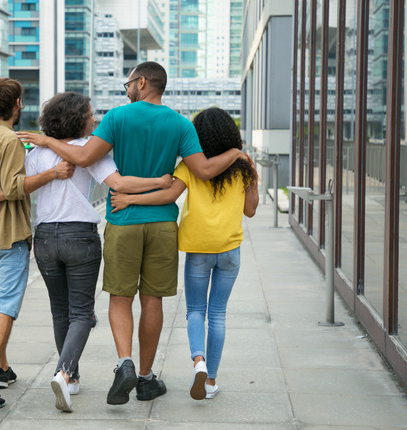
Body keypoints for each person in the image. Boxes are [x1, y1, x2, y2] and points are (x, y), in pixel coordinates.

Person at [17, 62, 246, 405]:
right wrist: (236, 151)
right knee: (152, 300)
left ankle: (124, 362)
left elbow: (82, 156)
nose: (126, 89)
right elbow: (204, 169)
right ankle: (145, 377)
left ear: (142, 82)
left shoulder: (117, 118)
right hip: (162, 224)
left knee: (120, 298)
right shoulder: (181, 124)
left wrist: (46, 139)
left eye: (128, 83)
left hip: (123, 220)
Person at [0, 92, 174, 412]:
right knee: (82, 313)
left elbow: (16, 186)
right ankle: (64, 373)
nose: (94, 119)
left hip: (46, 239)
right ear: (77, 119)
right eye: (90, 114)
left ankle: (72, 376)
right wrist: (160, 183)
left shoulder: (35, 152)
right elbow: (119, 185)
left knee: (60, 310)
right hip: (80, 237)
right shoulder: (88, 151)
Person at [110, 107, 259, 400]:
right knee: (218, 314)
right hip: (230, 250)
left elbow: (167, 195)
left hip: (199, 249)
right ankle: (211, 380)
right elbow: (251, 210)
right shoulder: (243, 167)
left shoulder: (191, 167)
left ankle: (198, 360)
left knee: (195, 311)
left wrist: (129, 198)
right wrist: (252, 175)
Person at [0, 77, 74, 409]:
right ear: (16, 105)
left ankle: (2, 369)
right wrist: (52, 174)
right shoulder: (10, 141)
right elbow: (12, 187)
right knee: (6, 305)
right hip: (10, 235)